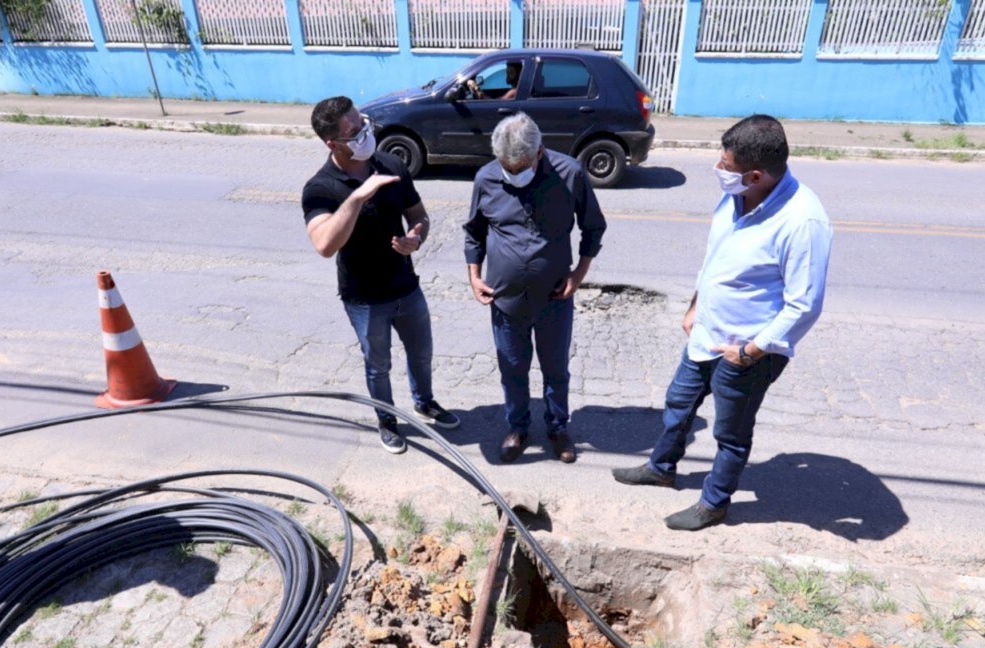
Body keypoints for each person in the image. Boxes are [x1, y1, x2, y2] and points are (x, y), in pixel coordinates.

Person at [612, 114, 832, 531]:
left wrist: (751, 351)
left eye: (726, 167)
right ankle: (661, 468)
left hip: (747, 352)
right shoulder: (737, 197)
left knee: (730, 434)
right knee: (679, 403)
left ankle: (714, 503)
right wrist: (695, 305)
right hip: (706, 332)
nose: (718, 170)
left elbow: (804, 305)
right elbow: (716, 259)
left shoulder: (803, 221)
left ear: (755, 175)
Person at [301, 96, 459, 454]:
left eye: (363, 124)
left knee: (421, 354)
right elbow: (324, 245)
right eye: (353, 132)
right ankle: (387, 421)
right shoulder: (320, 187)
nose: (364, 134)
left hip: (406, 287)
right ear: (332, 143)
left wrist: (415, 237)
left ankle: (425, 402)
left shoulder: (390, 165)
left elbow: (420, 216)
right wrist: (358, 197)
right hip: (364, 298)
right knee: (378, 365)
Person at [464, 112, 606, 464]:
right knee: (512, 368)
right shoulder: (486, 178)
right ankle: (517, 427)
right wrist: (474, 275)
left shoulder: (570, 174)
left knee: (555, 370)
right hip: (505, 300)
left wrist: (578, 275)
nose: (513, 174)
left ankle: (558, 427)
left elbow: (594, 228)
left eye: (520, 167)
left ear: (539, 152)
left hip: (554, 298)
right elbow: (474, 231)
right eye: (506, 168)